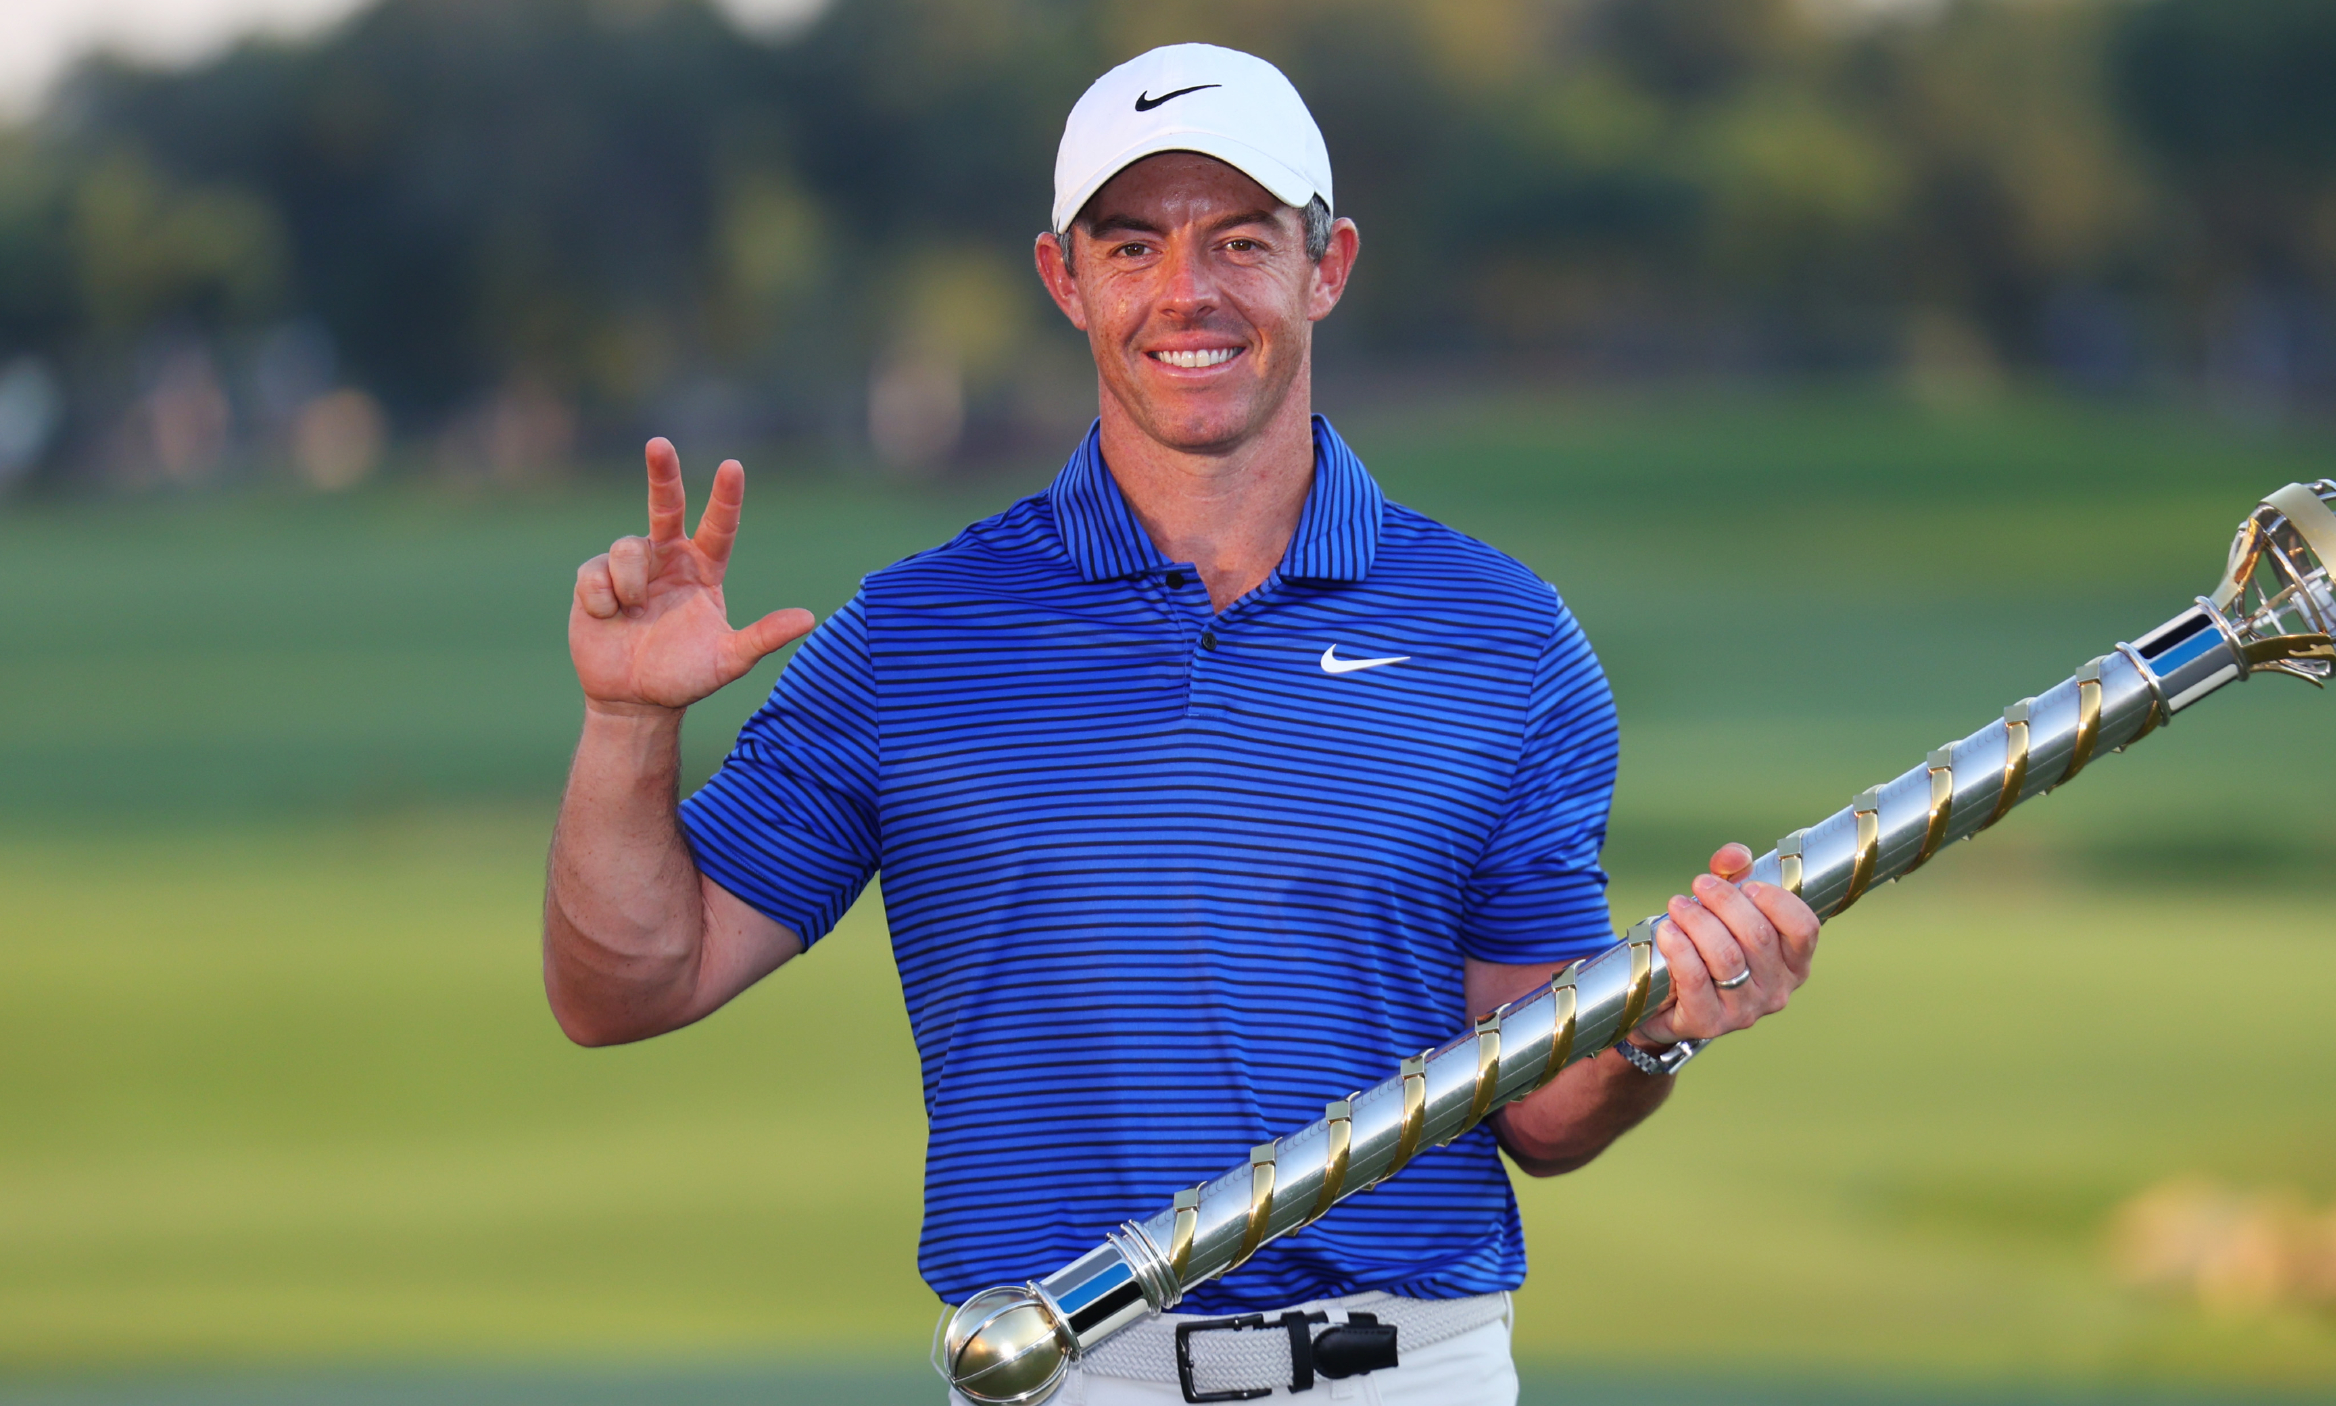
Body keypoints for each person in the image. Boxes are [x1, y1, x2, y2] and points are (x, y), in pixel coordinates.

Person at [545, 43, 1819, 1406]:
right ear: (1065, 279)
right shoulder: (912, 639)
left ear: (1326, 266)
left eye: (1241, 240)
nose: (1187, 292)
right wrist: (626, 721)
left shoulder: (1500, 636)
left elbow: (1537, 1101)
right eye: (1135, 244)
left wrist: (1649, 1030)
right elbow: (630, 985)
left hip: (1405, 1376)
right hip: (1064, 1371)